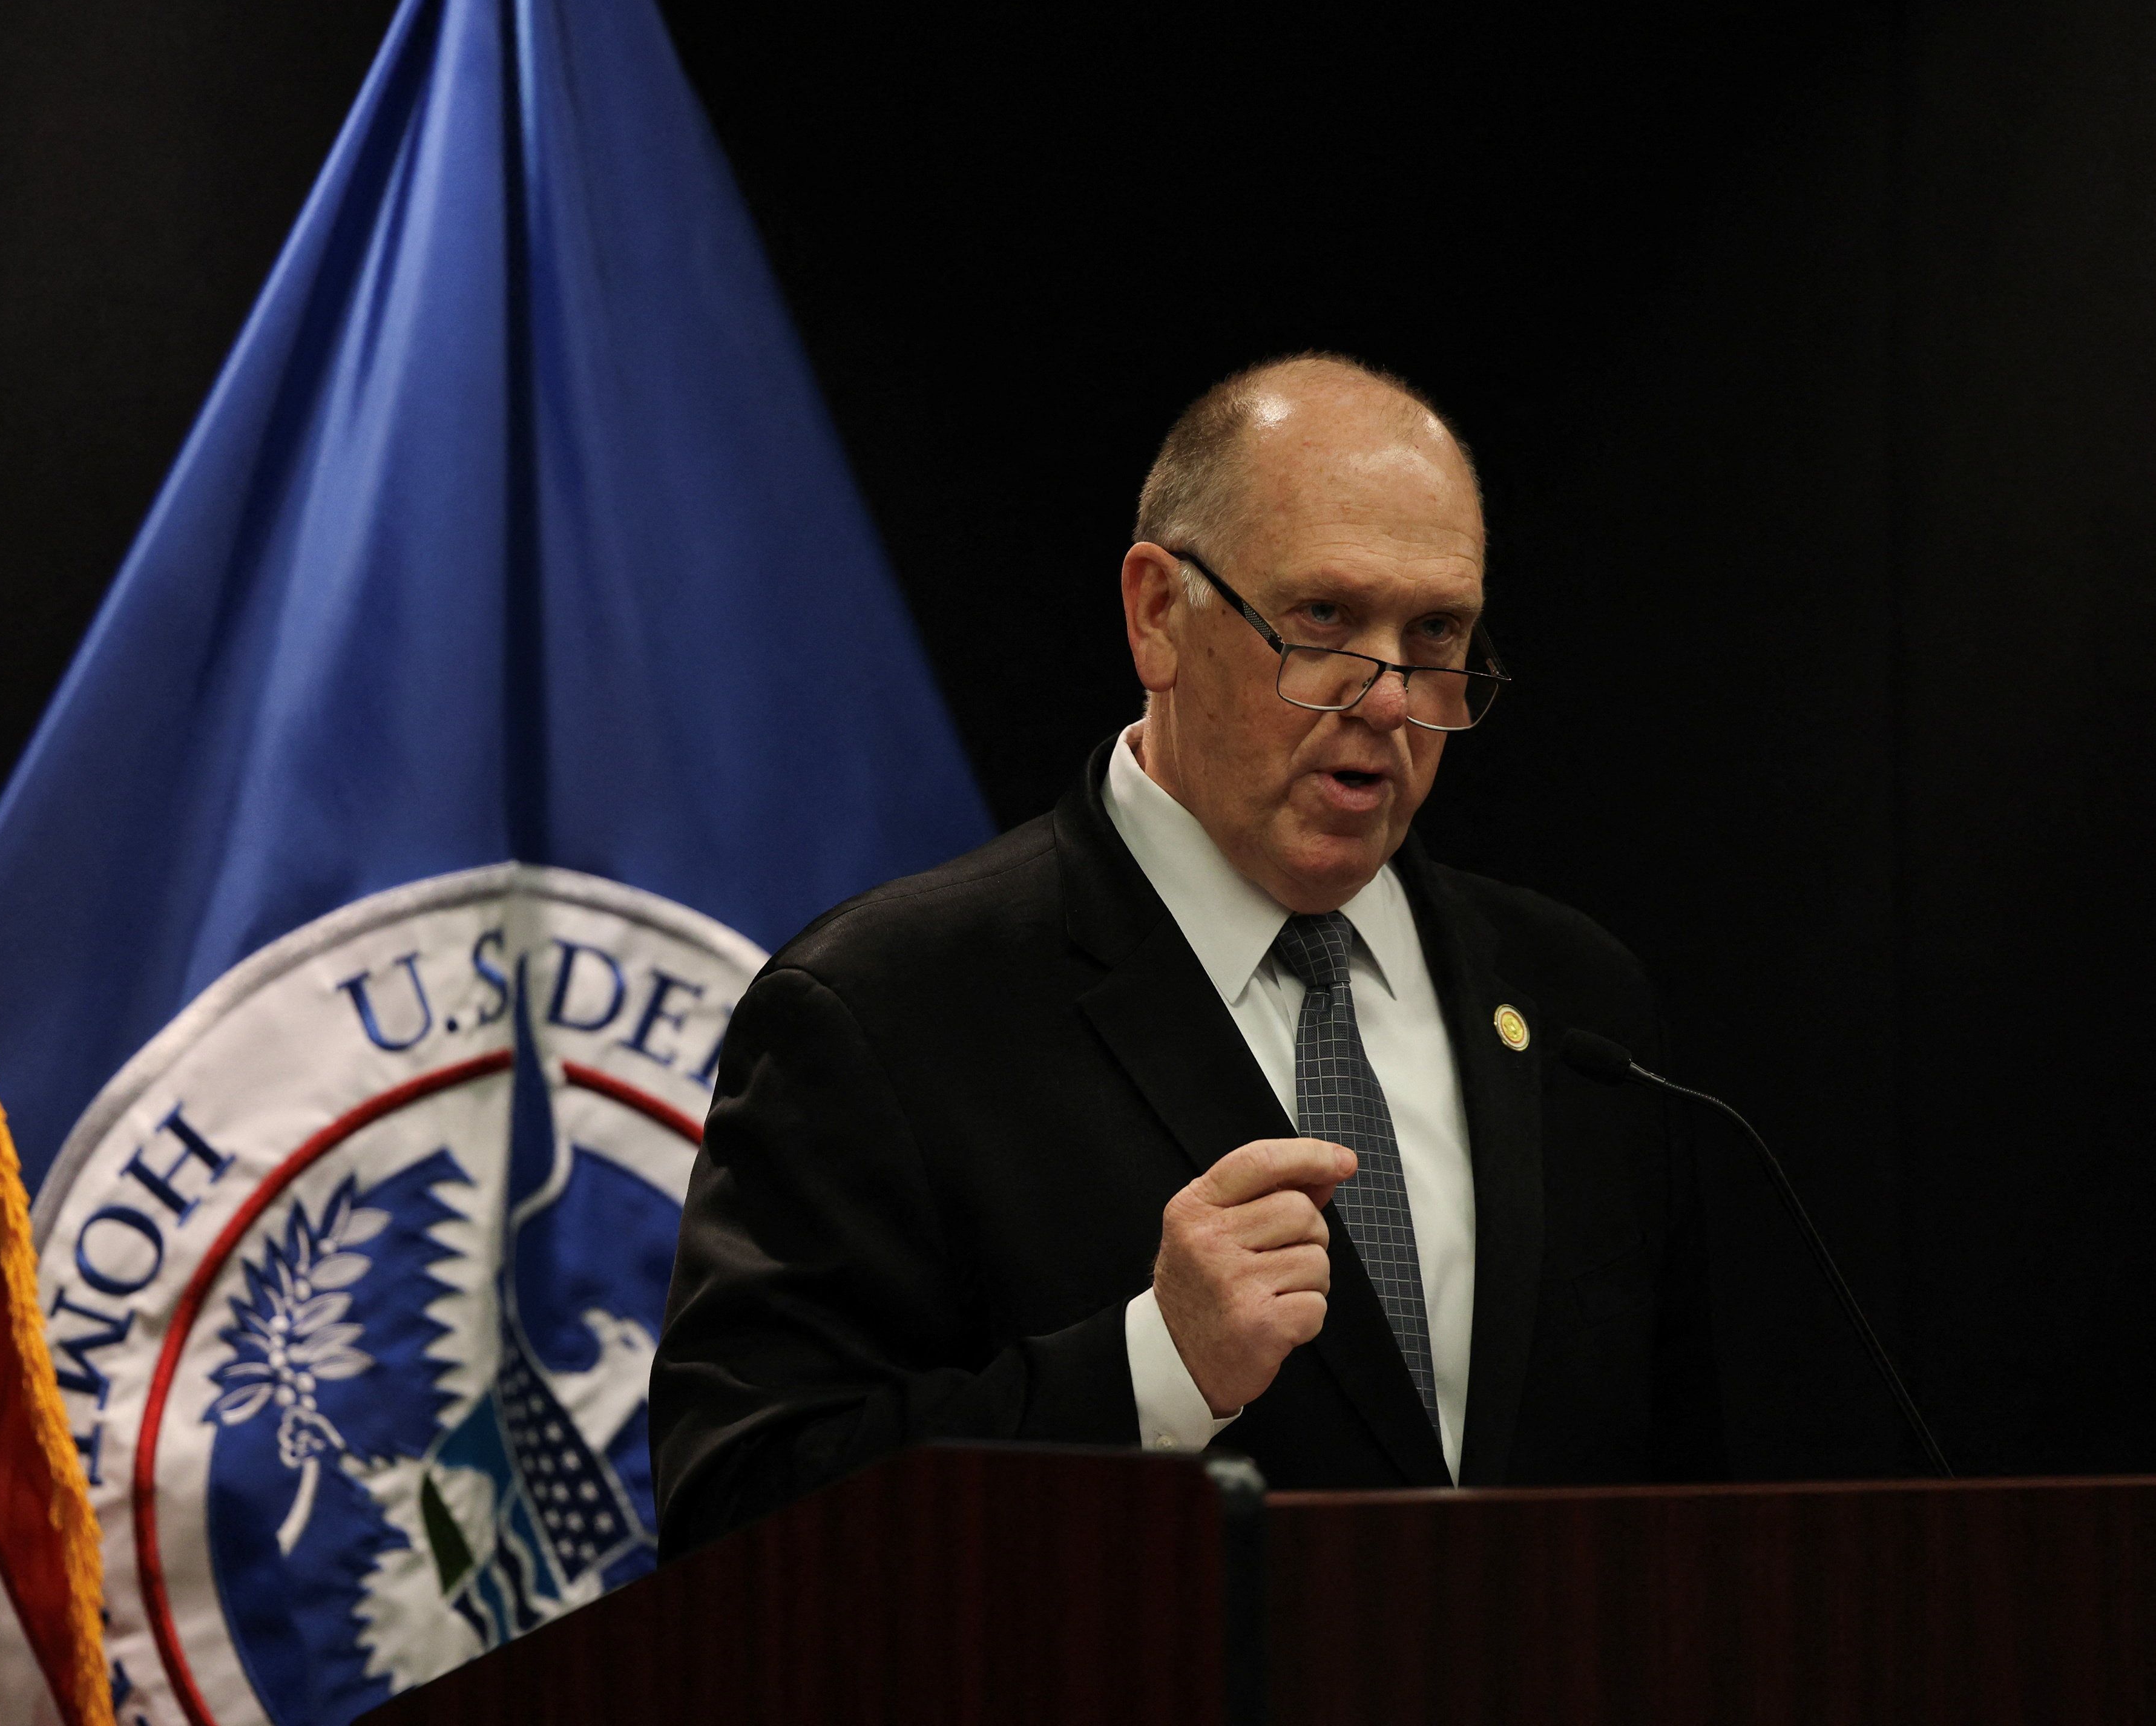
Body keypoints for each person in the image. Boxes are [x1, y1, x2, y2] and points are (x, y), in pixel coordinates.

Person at [648, 353, 1724, 1555]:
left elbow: (1682, 1503)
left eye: (1435, 635)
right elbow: (740, 1516)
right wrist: (1156, 1368)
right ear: (1159, 614)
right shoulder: (886, 1007)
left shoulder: (1578, 1007)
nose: (1388, 699)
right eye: (1324, 619)